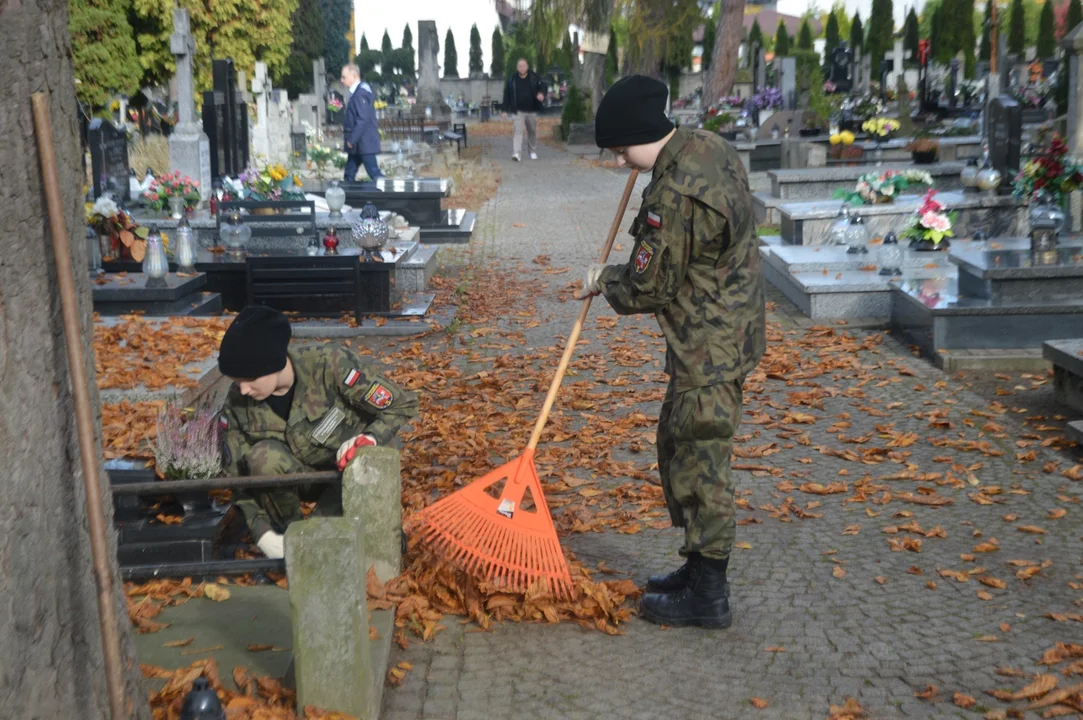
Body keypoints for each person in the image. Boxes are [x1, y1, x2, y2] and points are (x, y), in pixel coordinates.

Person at [577, 75, 766, 629]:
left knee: (701, 460)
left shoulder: (673, 191)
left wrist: (603, 280)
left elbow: (648, 286)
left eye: (619, 150)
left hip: (710, 343)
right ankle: (696, 567)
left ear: (639, 135)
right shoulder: (707, 146)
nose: (619, 162)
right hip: (724, 331)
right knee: (679, 443)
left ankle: (708, 597)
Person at [217, 306, 418, 559]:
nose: (243, 389)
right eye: (236, 381)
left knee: (366, 467)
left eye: (250, 379)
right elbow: (238, 480)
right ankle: (292, 545)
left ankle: (354, 540)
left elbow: (403, 404)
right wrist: (263, 534)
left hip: (353, 474)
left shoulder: (329, 365)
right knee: (262, 458)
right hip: (302, 478)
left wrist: (370, 437)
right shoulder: (237, 403)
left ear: (274, 363)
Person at [340, 63, 384, 181]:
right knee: (349, 174)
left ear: (353, 76)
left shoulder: (361, 94)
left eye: (344, 77)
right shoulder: (358, 92)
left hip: (364, 143)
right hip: (358, 145)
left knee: (374, 173)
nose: (341, 80)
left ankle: (390, 195)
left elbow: (362, 119)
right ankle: (348, 198)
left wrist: (352, 139)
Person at [501, 58, 546, 161]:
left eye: (524, 65)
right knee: (518, 131)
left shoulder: (534, 77)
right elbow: (507, 95)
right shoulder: (512, 79)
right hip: (518, 111)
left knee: (532, 131)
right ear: (517, 68)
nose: (522, 68)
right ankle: (517, 153)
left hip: (532, 110)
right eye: (520, 66)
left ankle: (532, 151)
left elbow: (542, 86)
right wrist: (504, 110)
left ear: (527, 66)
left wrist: (541, 93)